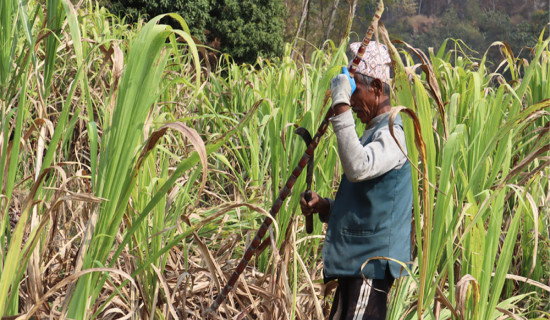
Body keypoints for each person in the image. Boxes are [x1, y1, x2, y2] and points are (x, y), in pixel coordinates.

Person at [300, 41, 412, 320]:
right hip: (357, 264)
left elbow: (357, 168)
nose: (350, 101)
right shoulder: (373, 134)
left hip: (371, 267)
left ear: (376, 87)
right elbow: (368, 202)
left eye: (354, 92)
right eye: (347, 94)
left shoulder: (392, 134)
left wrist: (339, 106)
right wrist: (325, 206)